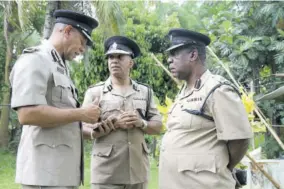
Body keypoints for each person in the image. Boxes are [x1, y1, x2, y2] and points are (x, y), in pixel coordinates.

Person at [9, 9, 100, 189]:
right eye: (81, 42)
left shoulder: (59, 66)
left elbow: (60, 120)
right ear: (66, 31)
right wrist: (81, 114)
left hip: (60, 175)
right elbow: (27, 114)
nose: (82, 49)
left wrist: (86, 126)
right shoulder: (35, 59)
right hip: (44, 177)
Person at [158, 28, 253, 189]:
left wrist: (224, 166)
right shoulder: (184, 92)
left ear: (193, 55)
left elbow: (240, 139)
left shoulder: (217, 89)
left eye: (174, 54)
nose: (169, 60)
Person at [82, 36, 163, 189]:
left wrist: (141, 123)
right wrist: (111, 124)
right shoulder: (95, 92)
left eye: (120, 57)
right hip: (106, 173)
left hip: (138, 173)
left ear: (130, 62)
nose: (114, 61)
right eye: (110, 57)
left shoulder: (145, 92)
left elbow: (158, 126)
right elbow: (82, 129)